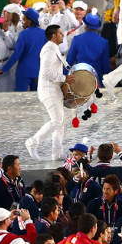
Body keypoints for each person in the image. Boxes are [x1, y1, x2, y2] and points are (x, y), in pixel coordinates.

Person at [26, 25, 77, 161]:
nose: (63, 35)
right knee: (57, 120)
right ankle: (32, 142)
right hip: (48, 90)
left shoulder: (53, 49)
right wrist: (64, 78)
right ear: (54, 36)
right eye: (60, 33)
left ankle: (57, 153)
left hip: (54, 89)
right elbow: (46, 72)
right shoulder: (48, 50)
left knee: (60, 122)